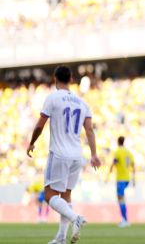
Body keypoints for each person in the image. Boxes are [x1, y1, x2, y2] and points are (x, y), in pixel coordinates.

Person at [27, 65, 101, 244]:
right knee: (66, 196)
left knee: (49, 195)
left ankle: (76, 217)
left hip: (59, 153)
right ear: (71, 79)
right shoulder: (82, 102)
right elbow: (89, 130)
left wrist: (32, 142)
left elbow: (39, 125)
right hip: (77, 155)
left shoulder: (53, 98)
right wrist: (94, 154)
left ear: (54, 78)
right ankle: (61, 238)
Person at [107, 136, 135, 227]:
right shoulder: (129, 152)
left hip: (121, 179)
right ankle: (124, 219)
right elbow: (133, 165)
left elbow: (114, 162)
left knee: (121, 199)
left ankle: (124, 220)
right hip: (127, 178)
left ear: (118, 142)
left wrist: (108, 174)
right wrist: (134, 179)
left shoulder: (118, 151)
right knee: (122, 199)